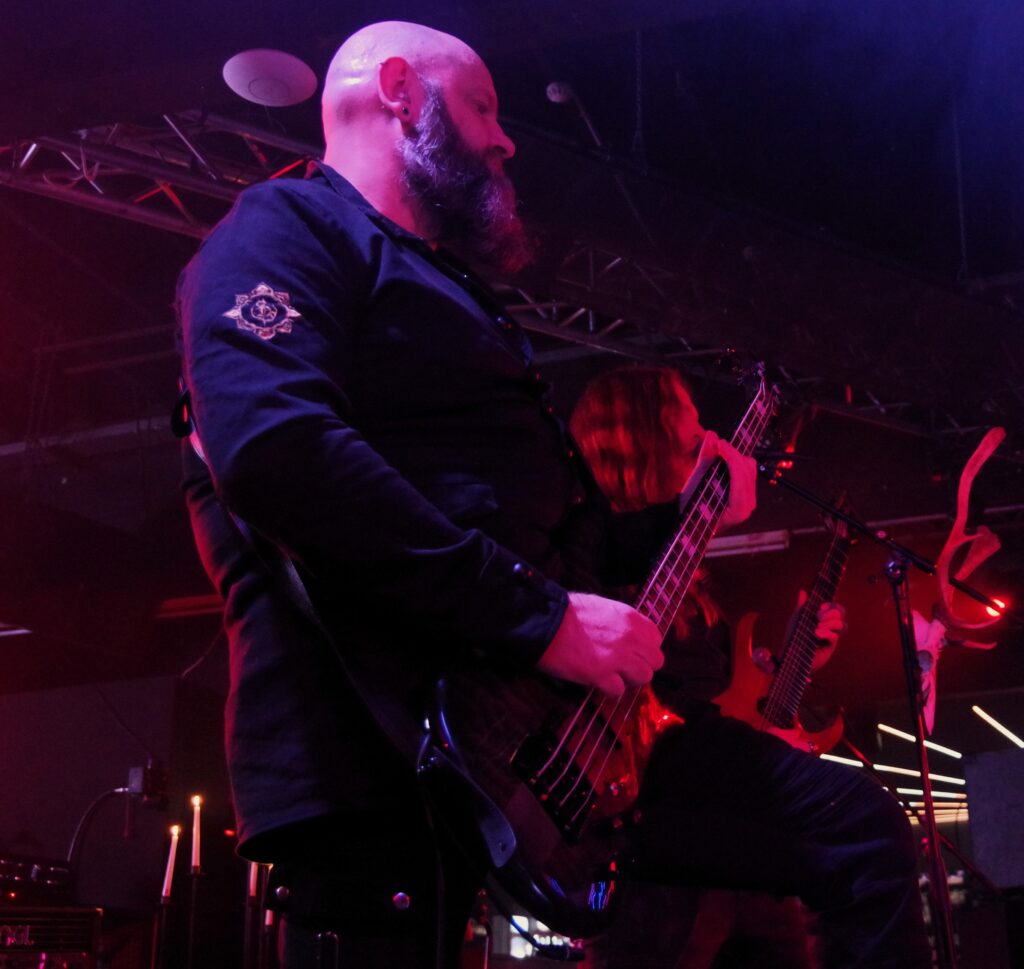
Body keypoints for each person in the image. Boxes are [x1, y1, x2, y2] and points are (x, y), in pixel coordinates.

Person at [175, 20, 755, 969]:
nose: (505, 138)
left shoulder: (445, 284)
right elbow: (278, 450)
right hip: (364, 751)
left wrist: (687, 516)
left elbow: (536, 532)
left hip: (482, 744)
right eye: (483, 105)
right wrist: (539, 620)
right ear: (400, 90)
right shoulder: (285, 229)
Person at [570, 366, 931, 969]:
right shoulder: (595, 559)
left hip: (727, 824)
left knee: (858, 846)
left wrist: (791, 668)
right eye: (692, 436)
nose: (711, 442)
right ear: (645, 441)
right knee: (867, 829)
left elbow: (719, 701)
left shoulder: (690, 585)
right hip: (655, 829)